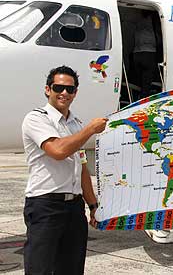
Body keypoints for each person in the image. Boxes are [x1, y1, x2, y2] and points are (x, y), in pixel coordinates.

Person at [22, 66, 108, 274]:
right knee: (39, 269)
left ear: (75, 93)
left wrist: (93, 205)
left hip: (74, 209)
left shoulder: (75, 124)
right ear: (47, 90)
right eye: (58, 87)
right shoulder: (37, 119)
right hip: (45, 206)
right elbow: (58, 150)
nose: (64, 93)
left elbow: (82, 170)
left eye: (70, 89)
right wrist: (90, 130)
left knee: (71, 269)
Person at [133, 11, 157, 100]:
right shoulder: (153, 22)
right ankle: (144, 98)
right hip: (149, 52)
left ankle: (137, 95)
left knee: (139, 79)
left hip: (136, 52)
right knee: (147, 78)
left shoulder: (138, 22)